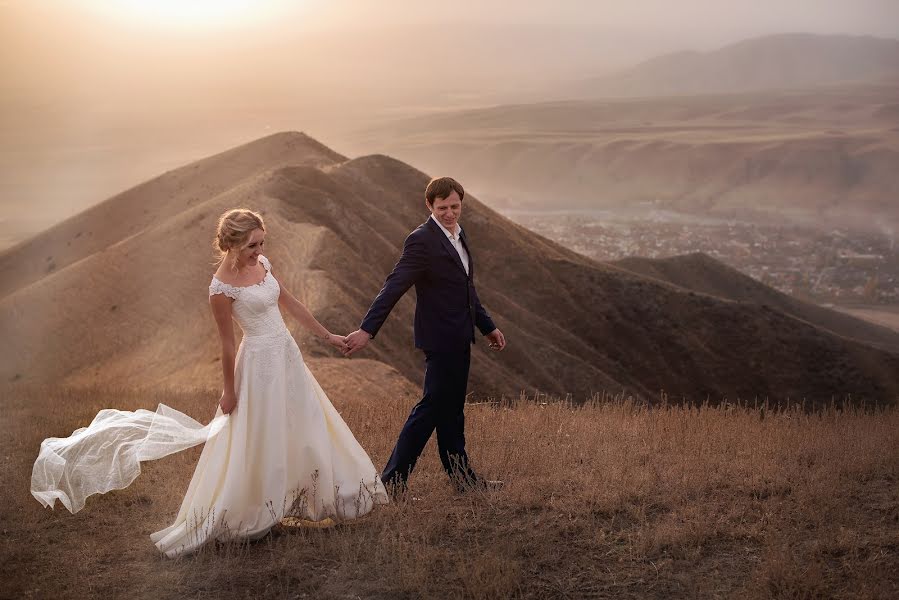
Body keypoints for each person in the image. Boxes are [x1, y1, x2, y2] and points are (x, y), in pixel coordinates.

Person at [31, 208, 388, 557]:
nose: (259, 252)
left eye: (262, 243)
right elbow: (228, 344)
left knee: (307, 424)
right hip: (259, 365)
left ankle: (331, 496)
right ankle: (258, 508)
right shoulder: (220, 289)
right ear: (231, 244)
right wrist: (229, 391)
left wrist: (329, 336)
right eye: (252, 245)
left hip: (287, 356)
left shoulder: (263, 266)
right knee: (262, 435)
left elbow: (289, 302)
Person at [344, 176, 506, 496]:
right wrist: (367, 330)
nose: (450, 213)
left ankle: (462, 480)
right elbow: (394, 286)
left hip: (460, 336)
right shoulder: (422, 240)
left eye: (455, 206)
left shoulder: (459, 235)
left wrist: (488, 326)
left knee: (451, 411)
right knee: (431, 408)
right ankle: (392, 482)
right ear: (429, 206)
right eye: (443, 207)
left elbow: (466, 290)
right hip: (439, 338)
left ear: (462, 204)